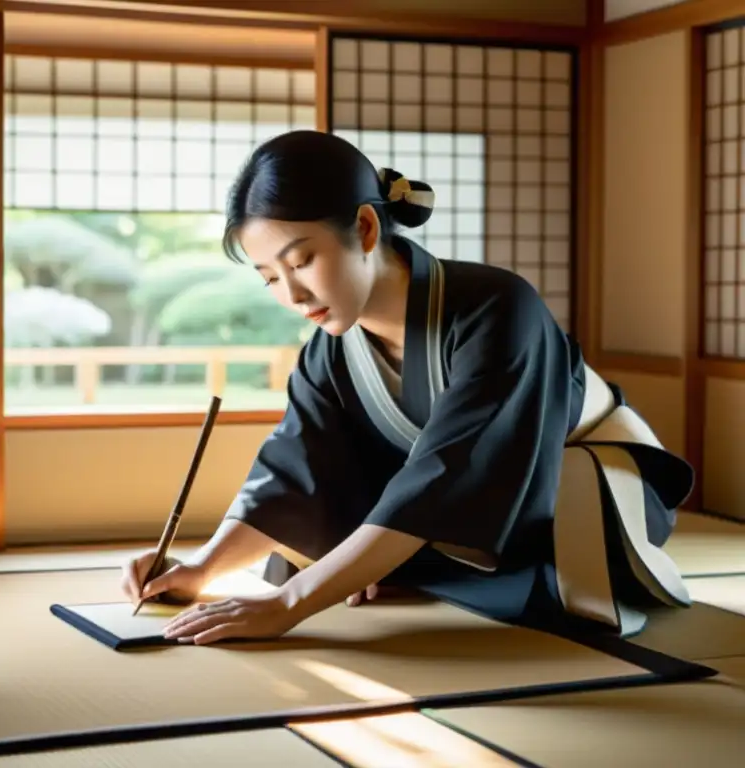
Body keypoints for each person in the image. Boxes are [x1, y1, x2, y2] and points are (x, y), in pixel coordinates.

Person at [120, 129, 695, 646]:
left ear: (365, 228)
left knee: (550, 601)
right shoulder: (330, 349)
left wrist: (290, 606)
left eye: (302, 260)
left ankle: (391, 563)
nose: (291, 295)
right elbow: (293, 471)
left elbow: (451, 474)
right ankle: (387, 562)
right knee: (320, 542)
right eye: (270, 276)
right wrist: (201, 569)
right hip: (464, 513)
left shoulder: (499, 309)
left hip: (574, 501)